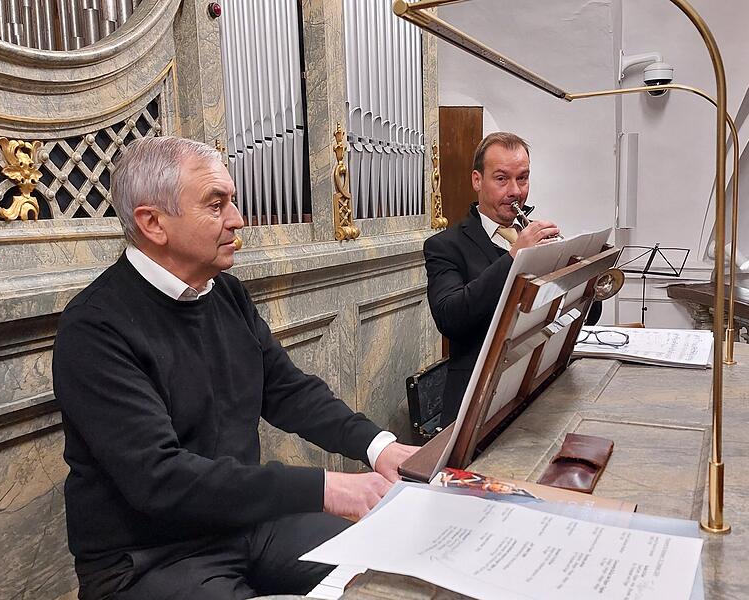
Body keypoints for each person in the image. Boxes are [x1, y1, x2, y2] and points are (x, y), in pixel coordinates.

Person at [52, 136, 417, 600]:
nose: (237, 220)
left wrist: (379, 446)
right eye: (216, 204)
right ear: (153, 223)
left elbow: (288, 391)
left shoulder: (224, 292)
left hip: (242, 526)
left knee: (392, 570)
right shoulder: (95, 328)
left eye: (233, 201)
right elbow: (160, 479)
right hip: (149, 558)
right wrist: (325, 487)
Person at [424, 132, 601, 427]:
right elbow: (450, 317)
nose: (515, 191)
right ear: (477, 181)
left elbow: (586, 317)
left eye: (523, 179)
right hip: (477, 404)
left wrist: (578, 273)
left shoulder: (535, 237)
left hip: (536, 390)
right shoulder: (445, 245)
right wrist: (513, 258)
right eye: (502, 179)